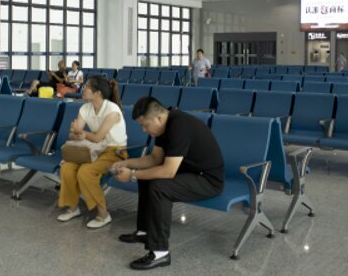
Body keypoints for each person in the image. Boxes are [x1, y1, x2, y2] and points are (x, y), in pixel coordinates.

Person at [113, 97, 224, 270]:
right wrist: (127, 163)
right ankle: (144, 232)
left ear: (158, 118)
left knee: (160, 187)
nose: (144, 130)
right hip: (188, 172)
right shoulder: (164, 125)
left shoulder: (179, 126)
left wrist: (132, 175)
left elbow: (168, 171)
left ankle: (160, 253)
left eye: (145, 125)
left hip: (208, 180)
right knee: (147, 177)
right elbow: (154, 159)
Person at [57, 75, 127, 228]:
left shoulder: (112, 110)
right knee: (67, 168)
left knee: (85, 172)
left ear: (98, 93)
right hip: (94, 149)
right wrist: (76, 134)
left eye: (86, 87)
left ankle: (103, 214)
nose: (83, 89)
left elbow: (97, 137)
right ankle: (73, 208)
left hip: (114, 151)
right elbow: (74, 134)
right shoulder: (85, 108)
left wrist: (81, 133)